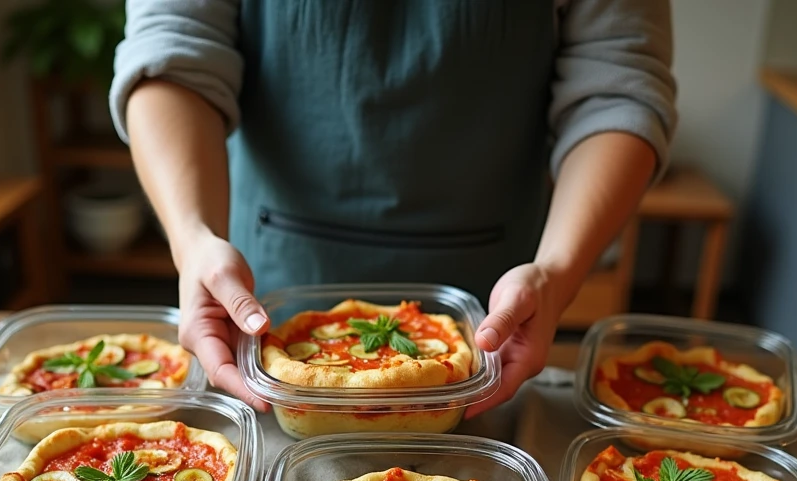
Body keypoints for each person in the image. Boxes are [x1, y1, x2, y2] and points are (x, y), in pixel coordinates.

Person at [111, 0, 676, 415]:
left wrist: (556, 272)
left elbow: (618, 85)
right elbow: (174, 50)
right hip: (263, 292)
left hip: (492, 309)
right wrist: (193, 240)